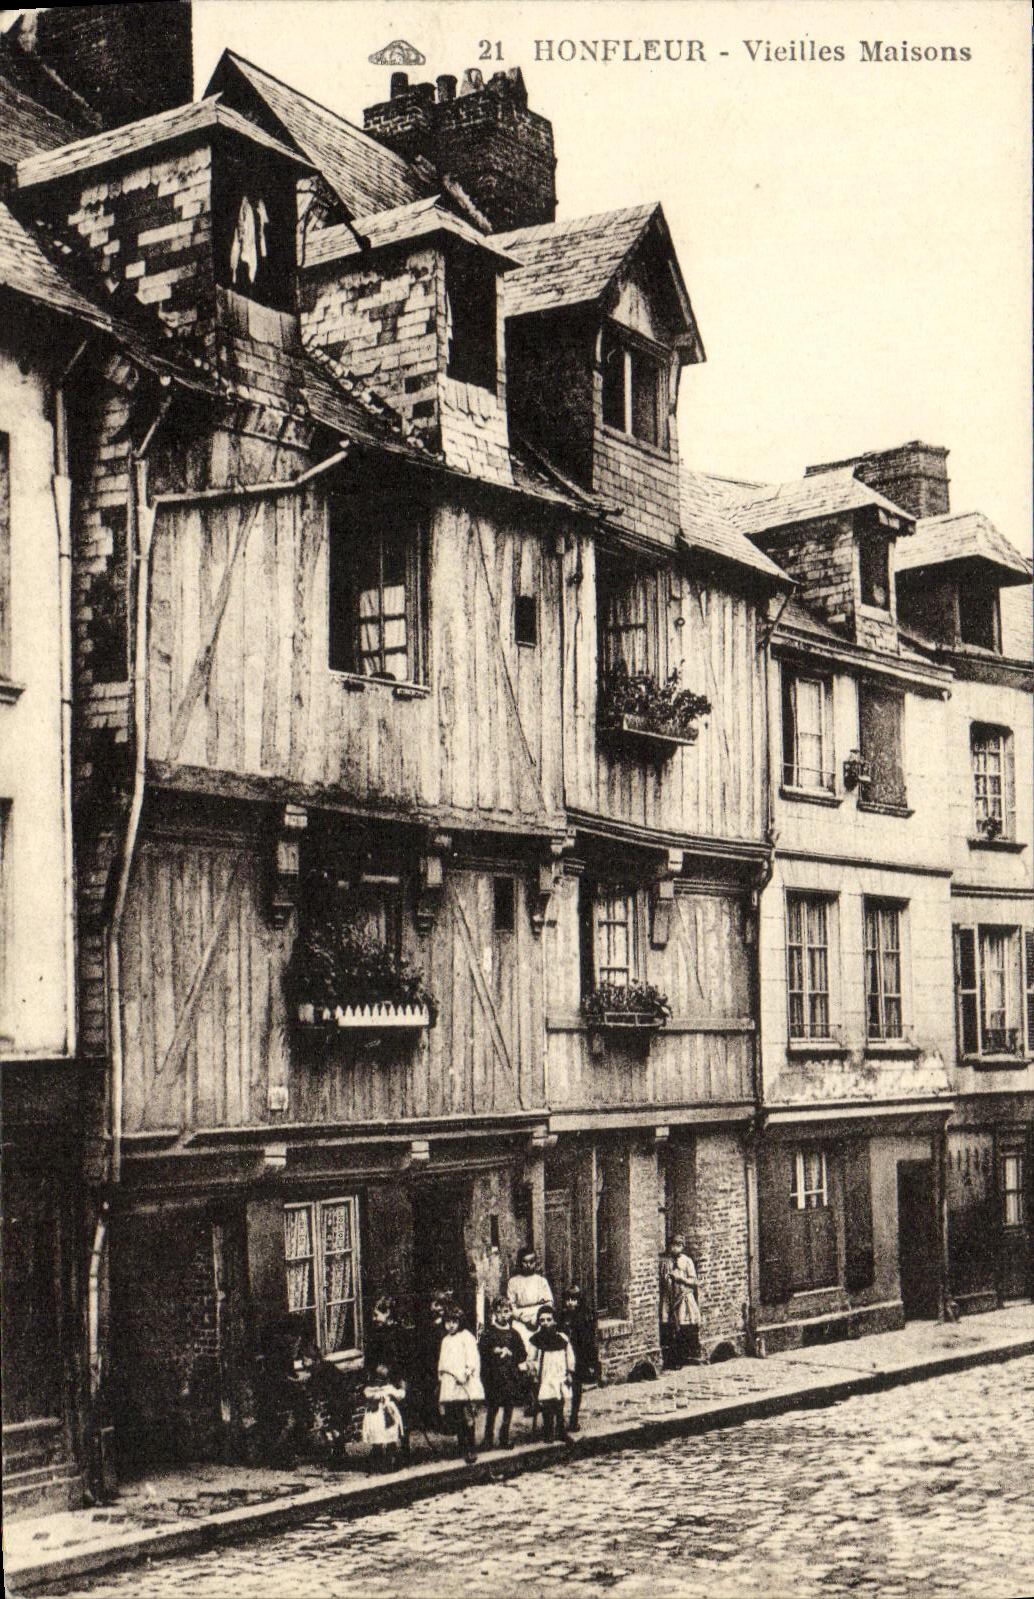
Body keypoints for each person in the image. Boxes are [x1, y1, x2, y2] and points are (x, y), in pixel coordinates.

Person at [478, 1297, 529, 1449]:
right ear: (494, 1313)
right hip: (493, 1377)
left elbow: (523, 1354)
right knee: (492, 1408)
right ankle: (488, 1439)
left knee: (508, 1407)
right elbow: (481, 1352)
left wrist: (510, 1352)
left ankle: (504, 1438)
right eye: (499, 1312)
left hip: (510, 1377)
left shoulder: (514, 1334)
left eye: (506, 1311)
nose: (503, 1315)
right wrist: (493, 1351)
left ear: (510, 1312)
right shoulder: (488, 1333)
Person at [437, 1303, 483, 1463]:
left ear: (460, 1322)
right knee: (456, 1415)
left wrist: (466, 1372)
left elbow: (472, 1358)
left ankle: (471, 1447)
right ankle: (461, 1445)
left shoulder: (466, 1337)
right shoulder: (445, 1340)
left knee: (467, 1414)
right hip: (450, 1383)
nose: (451, 1325)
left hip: (464, 1383)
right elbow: (442, 1361)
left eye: (454, 1322)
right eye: (448, 1322)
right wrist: (442, 1376)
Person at [529, 1304, 575, 1442]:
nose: (545, 1323)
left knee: (559, 1403)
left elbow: (569, 1356)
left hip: (559, 1375)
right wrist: (533, 1372)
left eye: (549, 1320)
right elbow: (531, 1359)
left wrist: (569, 1372)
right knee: (546, 1404)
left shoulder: (562, 1338)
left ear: (554, 1321)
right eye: (542, 1320)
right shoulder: (536, 1339)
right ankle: (548, 1432)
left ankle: (561, 1431)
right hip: (545, 1376)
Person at [558, 1284, 598, 1432]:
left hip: (579, 1357)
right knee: (560, 1388)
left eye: (574, 1300)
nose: (570, 1303)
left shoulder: (585, 1318)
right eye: (568, 1300)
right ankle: (560, 1420)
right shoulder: (561, 1317)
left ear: (579, 1301)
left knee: (576, 1388)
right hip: (562, 1357)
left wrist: (591, 1362)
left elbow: (589, 1342)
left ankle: (573, 1419)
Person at [659, 1234, 702, 1368]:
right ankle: (672, 1359)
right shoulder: (666, 1262)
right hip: (670, 1298)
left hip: (683, 1297)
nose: (675, 1248)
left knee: (683, 1328)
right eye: (673, 1245)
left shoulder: (687, 1261)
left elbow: (694, 1281)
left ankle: (684, 1357)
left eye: (678, 1245)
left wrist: (681, 1279)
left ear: (682, 1247)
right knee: (671, 1327)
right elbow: (662, 1280)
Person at [506, 1248, 554, 1360]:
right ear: (520, 1262)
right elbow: (511, 1306)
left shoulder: (541, 1281)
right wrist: (522, 1318)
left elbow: (549, 1303)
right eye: (525, 1262)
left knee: (541, 1352)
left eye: (531, 1262)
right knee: (523, 1351)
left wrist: (537, 1317)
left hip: (539, 1318)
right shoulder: (513, 1282)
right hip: (521, 1320)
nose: (528, 1265)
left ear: (535, 1262)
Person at [361, 1360, 406, 1471]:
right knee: (390, 1438)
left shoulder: (368, 1390)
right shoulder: (389, 1388)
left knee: (377, 1440)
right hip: (386, 1415)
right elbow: (400, 1395)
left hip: (373, 1416)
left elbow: (366, 1395)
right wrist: (403, 1388)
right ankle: (389, 1463)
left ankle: (377, 1463)